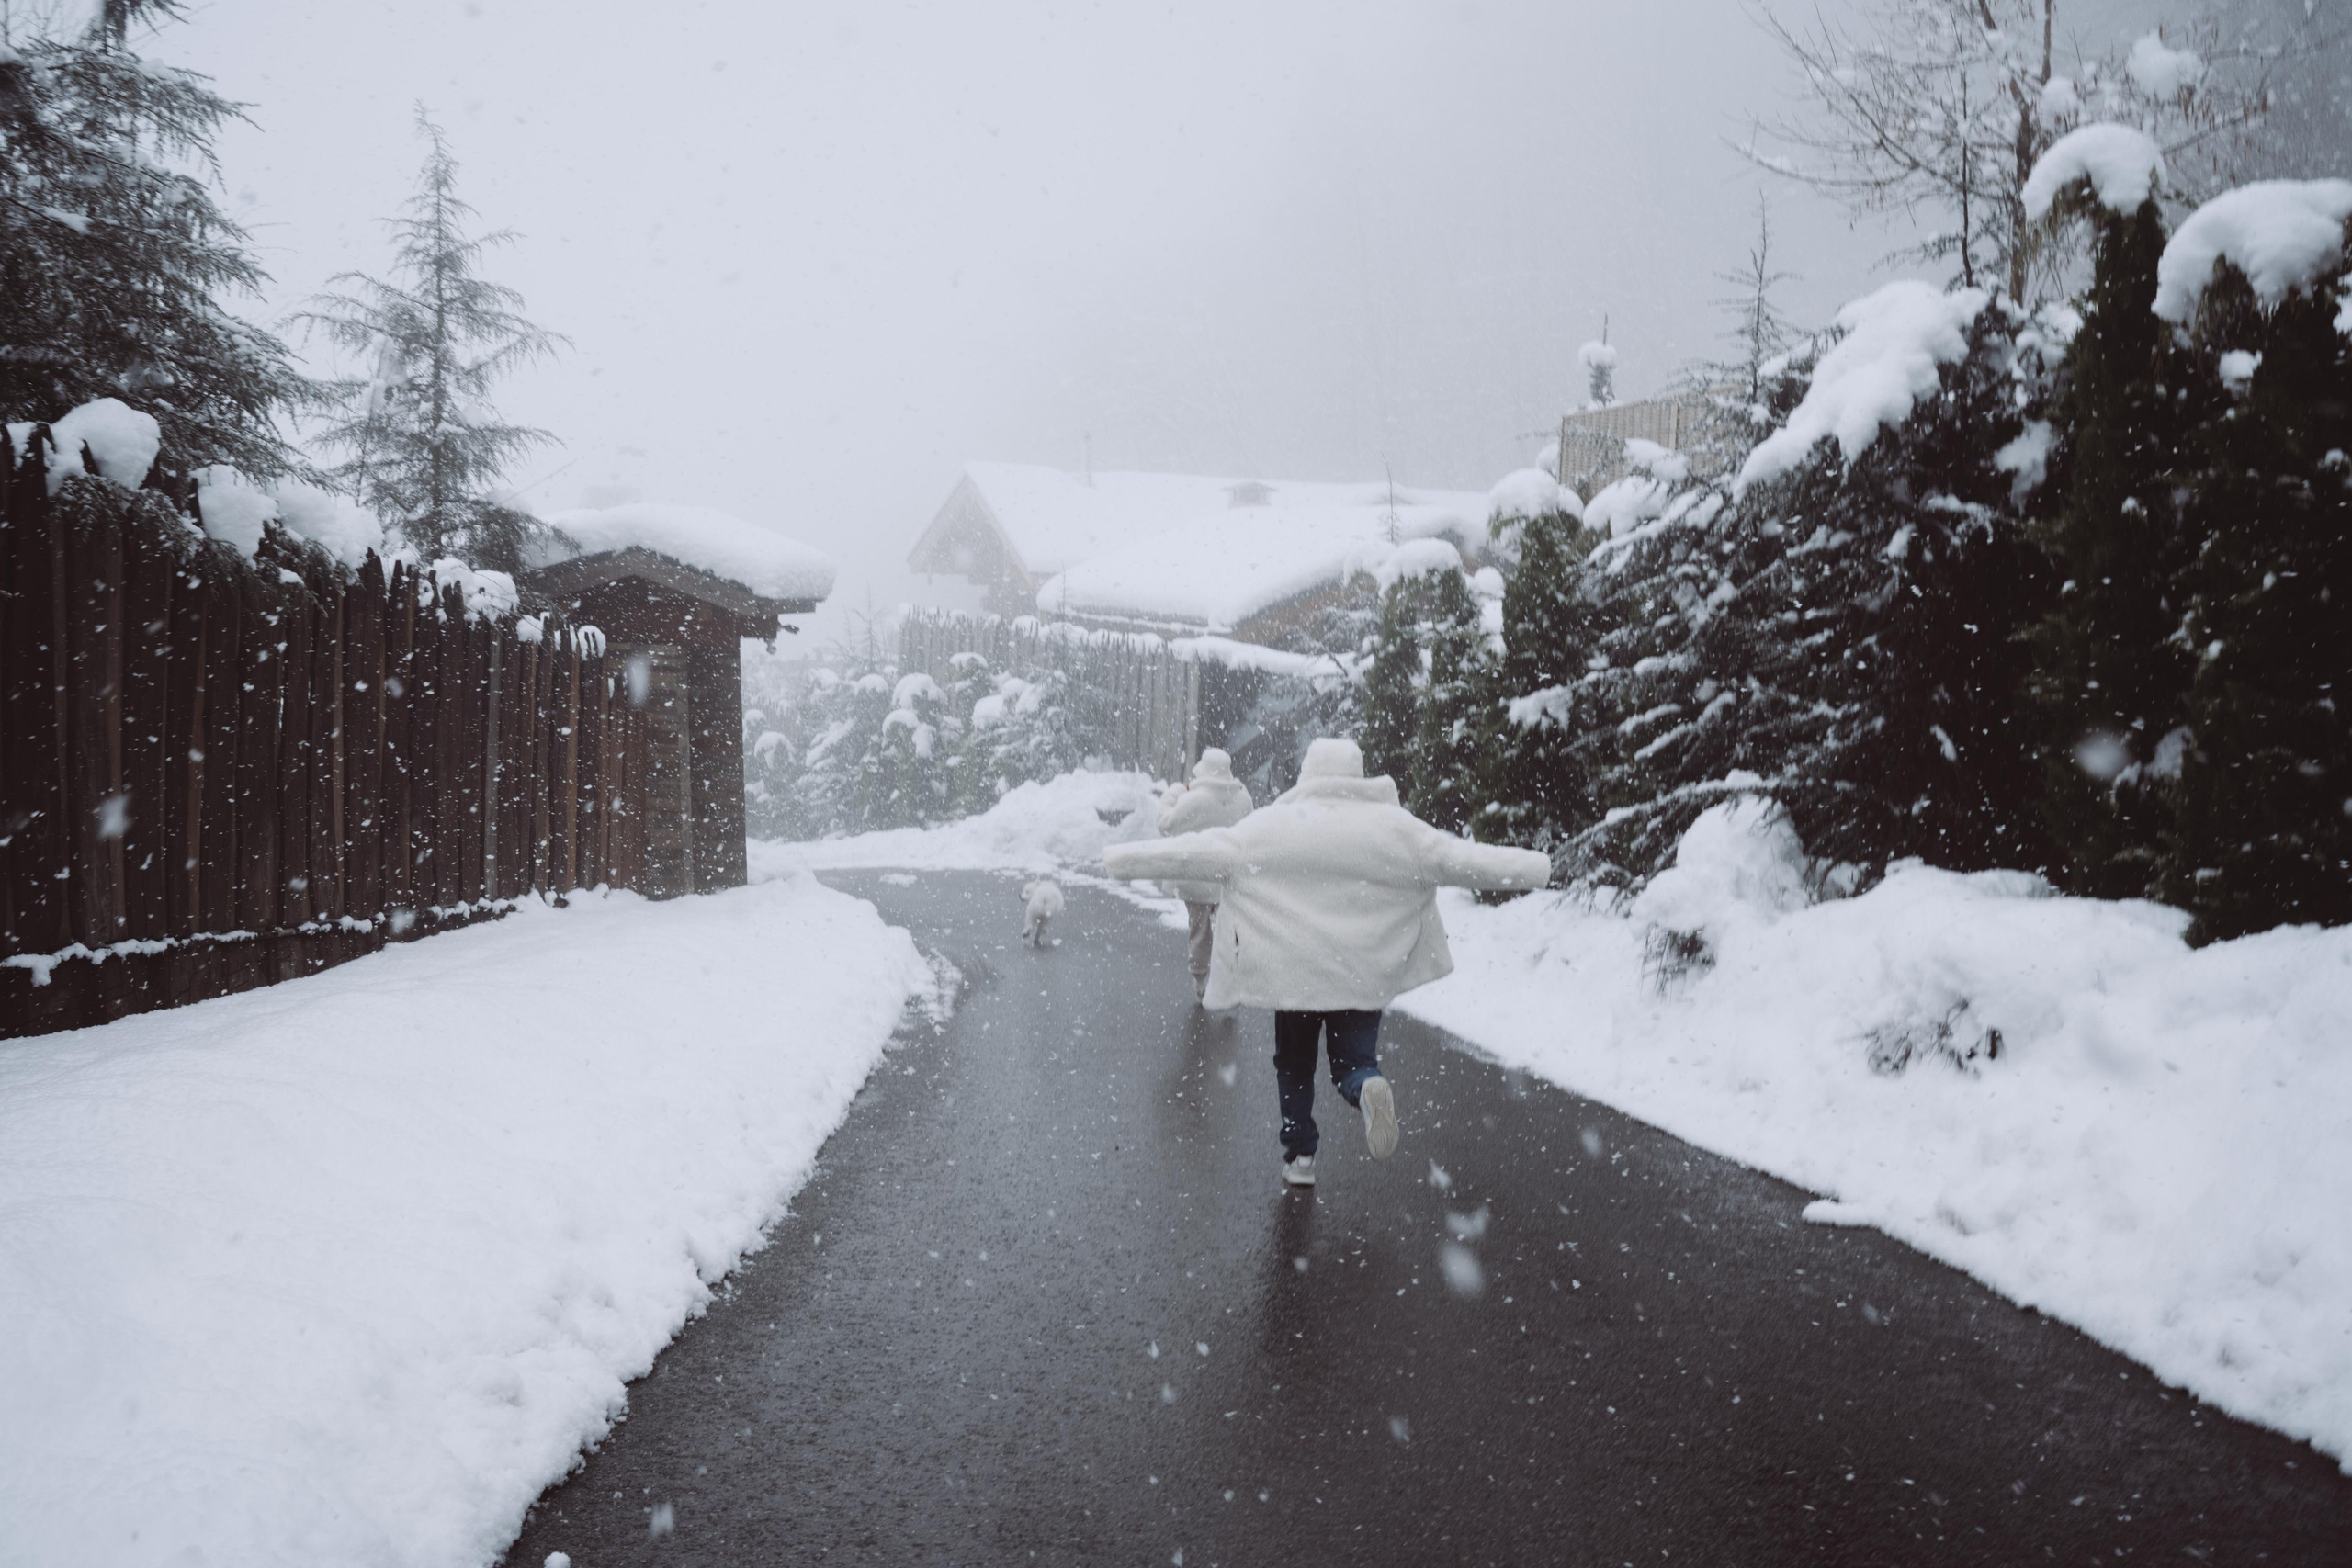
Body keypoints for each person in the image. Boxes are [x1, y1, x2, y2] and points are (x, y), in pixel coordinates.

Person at [1105, 737, 1549, 1187]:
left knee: (1294, 1065)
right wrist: (1535, 869)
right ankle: (1365, 1085)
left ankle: (1301, 1158)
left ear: (1308, 775)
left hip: (1295, 973)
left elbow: (1198, 853)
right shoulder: (1398, 829)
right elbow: (1463, 860)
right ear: (1357, 774)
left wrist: (1122, 861)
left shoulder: (1272, 826)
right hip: (1361, 972)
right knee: (1352, 1061)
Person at [1154, 748, 1255, 1000]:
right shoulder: (1242, 799)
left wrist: (1174, 793)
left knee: (1199, 933)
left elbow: (1165, 824)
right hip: (1226, 880)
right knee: (1229, 930)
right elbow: (1250, 827)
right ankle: (1231, 980)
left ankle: (1200, 982)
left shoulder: (1193, 800)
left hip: (1196, 879)